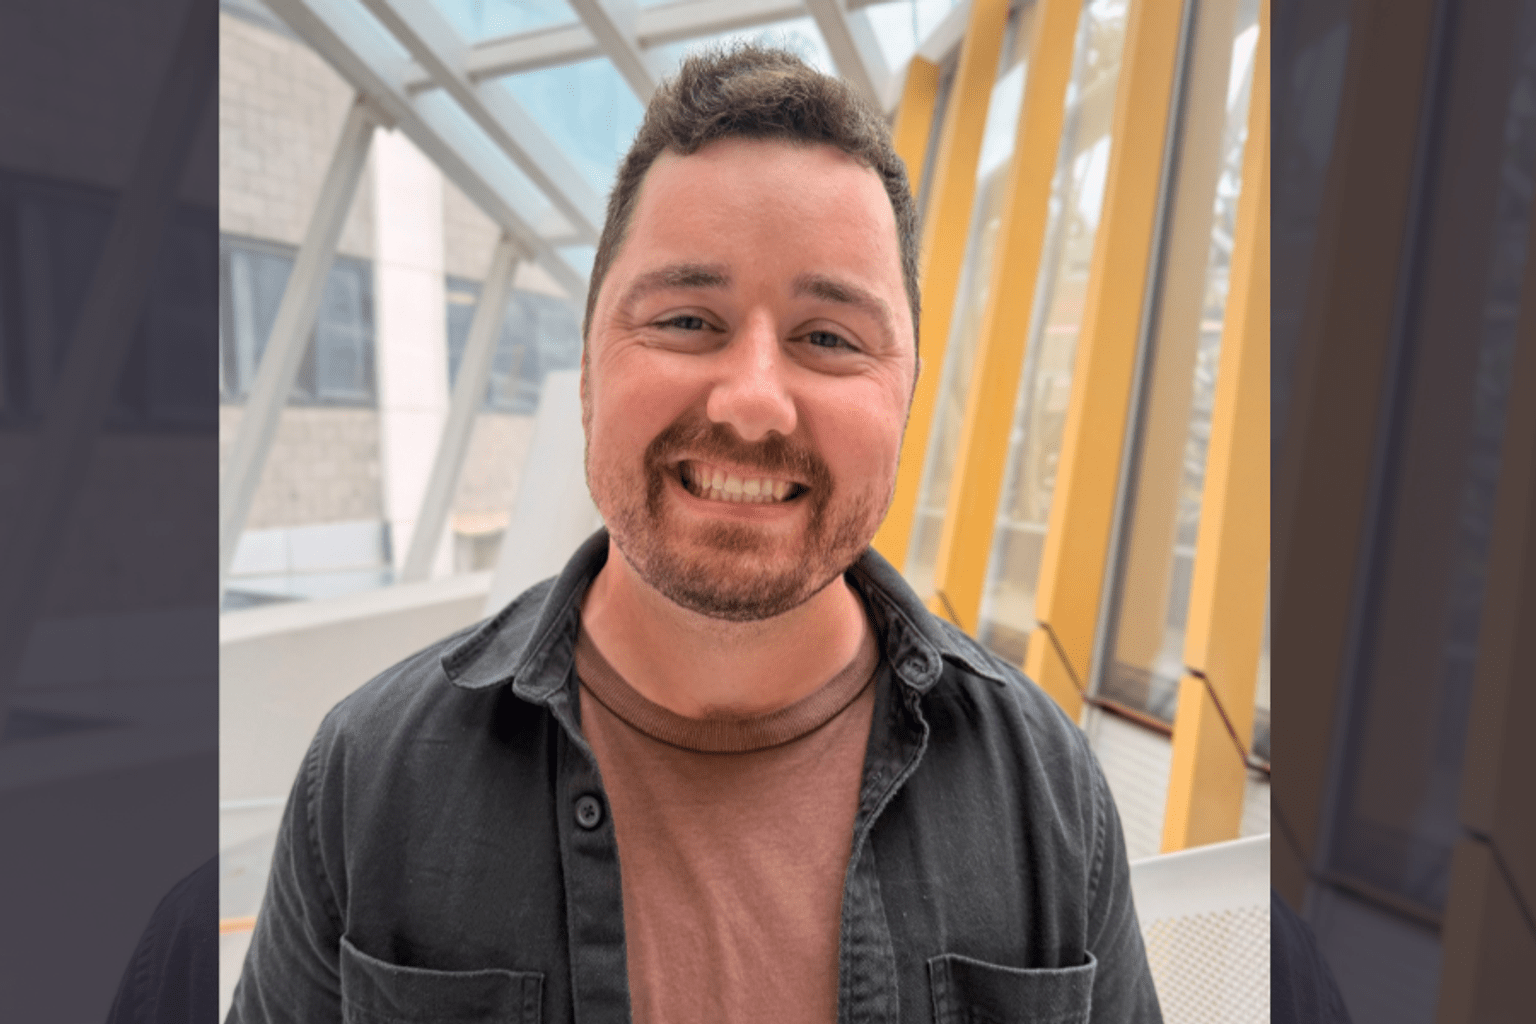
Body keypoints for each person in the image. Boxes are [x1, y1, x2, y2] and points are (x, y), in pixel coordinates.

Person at [229, 45, 1162, 1023]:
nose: (752, 400)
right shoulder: (370, 776)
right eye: (686, 320)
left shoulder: (1045, 791)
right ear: (587, 373)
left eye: (829, 338)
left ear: (906, 400)